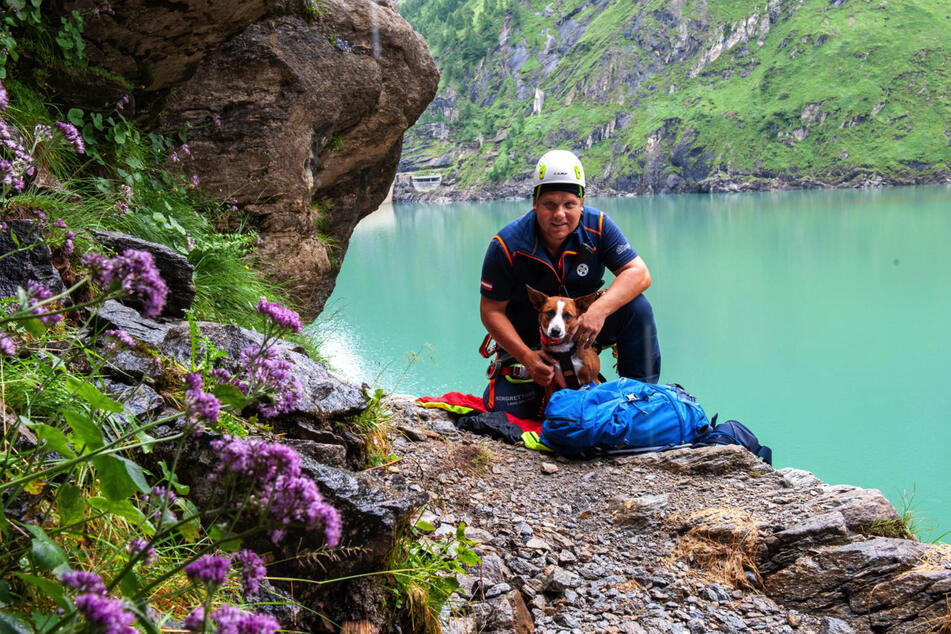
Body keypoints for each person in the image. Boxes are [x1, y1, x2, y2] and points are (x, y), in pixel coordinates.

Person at [479, 150, 661, 419]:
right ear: (534, 203)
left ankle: (640, 397)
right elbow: (491, 311)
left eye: (569, 204)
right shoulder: (507, 245)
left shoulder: (598, 226)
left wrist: (598, 312)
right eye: (550, 204)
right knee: (511, 416)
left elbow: (639, 273)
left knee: (637, 307)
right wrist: (527, 357)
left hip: (583, 332)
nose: (559, 214)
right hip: (528, 342)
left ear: (582, 203)